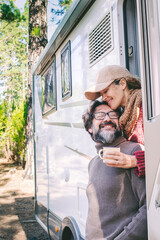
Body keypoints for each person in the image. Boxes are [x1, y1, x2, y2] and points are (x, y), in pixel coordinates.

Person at [82, 100, 147, 240]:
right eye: (100, 115)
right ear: (89, 127)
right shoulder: (93, 162)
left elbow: (149, 208)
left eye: (112, 114)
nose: (107, 118)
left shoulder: (133, 151)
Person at [84, 65, 145, 177]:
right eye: (101, 94)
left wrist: (134, 160)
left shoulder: (145, 106)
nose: (103, 98)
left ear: (122, 84)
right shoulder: (125, 117)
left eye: (106, 91)